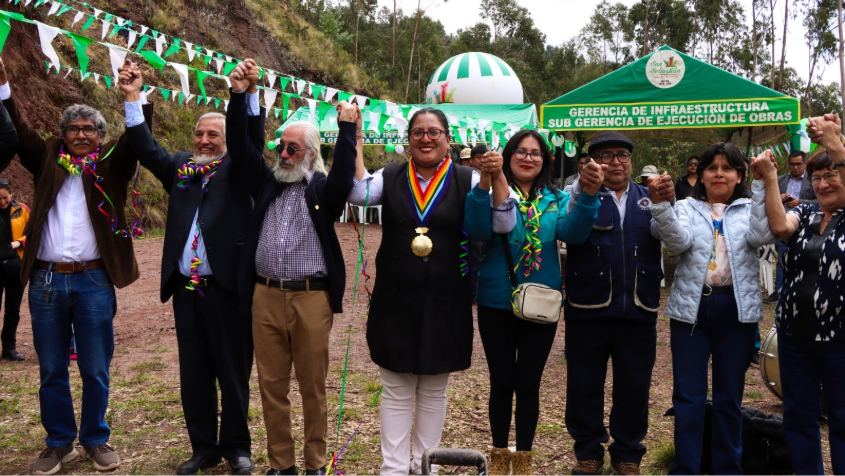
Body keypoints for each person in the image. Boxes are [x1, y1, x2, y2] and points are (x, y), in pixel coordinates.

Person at [348, 107, 512, 475]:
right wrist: (356, 139)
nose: (426, 138)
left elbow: (503, 218)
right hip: (395, 300)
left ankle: (427, 467)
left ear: (447, 139)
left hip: (446, 300)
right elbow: (357, 193)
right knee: (396, 388)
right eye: (418, 132)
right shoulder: (390, 176)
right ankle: (392, 469)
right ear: (408, 140)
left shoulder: (468, 179)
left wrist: (496, 173)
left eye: (434, 132)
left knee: (434, 389)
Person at [0, 56, 142, 474]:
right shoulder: (46, 159)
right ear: (61, 135)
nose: (81, 135)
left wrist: (133, 97)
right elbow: (21, 133)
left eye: (89, 129)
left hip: (95, 280)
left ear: (100, 136)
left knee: (96, 367)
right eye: (73, 129)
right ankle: (59, 442)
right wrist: (4, 86)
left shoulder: (109, 165)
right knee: (51, 368)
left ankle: (96, 438)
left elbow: (135, 144)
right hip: (45, 282)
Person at [118, 60, 258, 475]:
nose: (204, 140)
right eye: (199, 133)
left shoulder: (240, 169)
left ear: (228, 139)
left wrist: (241, 95)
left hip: (228, 288)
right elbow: (145, 147)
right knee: (194, 373)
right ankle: (203, 448)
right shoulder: (182, 168)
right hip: (186, 289)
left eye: (213, 134)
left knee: (232, 372)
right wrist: (132, 98)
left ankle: (236, 448)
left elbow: (248, 138)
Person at [227, 60, 358, 475]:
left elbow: (342, 178)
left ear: (310, 155)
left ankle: (315, 464)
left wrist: (348, 129)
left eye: (291, 149)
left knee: (313, 389)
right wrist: (241, 97)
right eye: (280, 147)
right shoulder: (267, 183)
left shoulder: (321, 190)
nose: (282, 154)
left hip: (310, 297)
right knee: (271, 387)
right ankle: (281, 465)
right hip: (265, 295)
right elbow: (240, 148)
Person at [465, 129, 603, 475]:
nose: (528, 158)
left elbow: (574, 233)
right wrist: (485, 181)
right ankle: (498, 457)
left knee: (528, 382)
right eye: (521, 152)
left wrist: (587, 194)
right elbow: (478, 230)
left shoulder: (555, 199)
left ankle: (523, 458)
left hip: (541, 303)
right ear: (509, 156)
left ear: (544, 161)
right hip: (497, 299)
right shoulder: (495, 190)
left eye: (535, 153)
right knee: (501, 380)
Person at [651, 142, 773, 474]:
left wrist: (763, 185)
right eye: (712, 168)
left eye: (727, 168)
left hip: (735, 311)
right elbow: (677, 243)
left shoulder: (750, 207)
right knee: (688, 399)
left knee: (728, 400)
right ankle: (687, 468)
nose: (719, 173)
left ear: (739, 176)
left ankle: (727, 468)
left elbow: (763, 235)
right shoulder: (688, 208)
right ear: (701, 175)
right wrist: (662, 206)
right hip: (692, 310)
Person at [563, 131, 672, 475]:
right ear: (590, 162)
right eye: (607, 155)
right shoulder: (575, 195)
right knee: (584, 383)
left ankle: (627, 453)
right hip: (588, 306)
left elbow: (672, 238)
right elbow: (570, 235)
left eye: (622, 155)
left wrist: (666, 203)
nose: (615, 162)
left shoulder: (648, 196)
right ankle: (588, 451)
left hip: (638, 306)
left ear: (631, 161)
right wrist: (588, 194)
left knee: (634, 384)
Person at [753, 113, 845, 475]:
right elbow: (778, 225)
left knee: (841, 418)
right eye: (816, 177)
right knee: (799, 417)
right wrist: (771, 177)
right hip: (795, 338)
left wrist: (834, 141)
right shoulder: (805, 214)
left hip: (840, 339)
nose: (822, 184)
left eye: (831, 175)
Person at [765, 150, 817, 303]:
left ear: (805, 164)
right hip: (783, 226)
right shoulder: (779, 180)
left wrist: (801, 202)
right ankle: (780, 291)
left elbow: (820, 202)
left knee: (806, 260)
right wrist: (777, 197)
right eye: (792, 164)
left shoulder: (813, 180)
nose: (795, 167)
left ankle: (803, 290)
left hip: (805, 227)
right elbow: (768, 199)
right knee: (782, 259)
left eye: (798, 164)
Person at [0, 178, 28, 361]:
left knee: (13, 310)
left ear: (11, 194)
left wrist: (18, 242)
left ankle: (9, 349)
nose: (2, 202)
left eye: (5, 197)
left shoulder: (22, 210)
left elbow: (33, 232)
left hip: (16, 267)